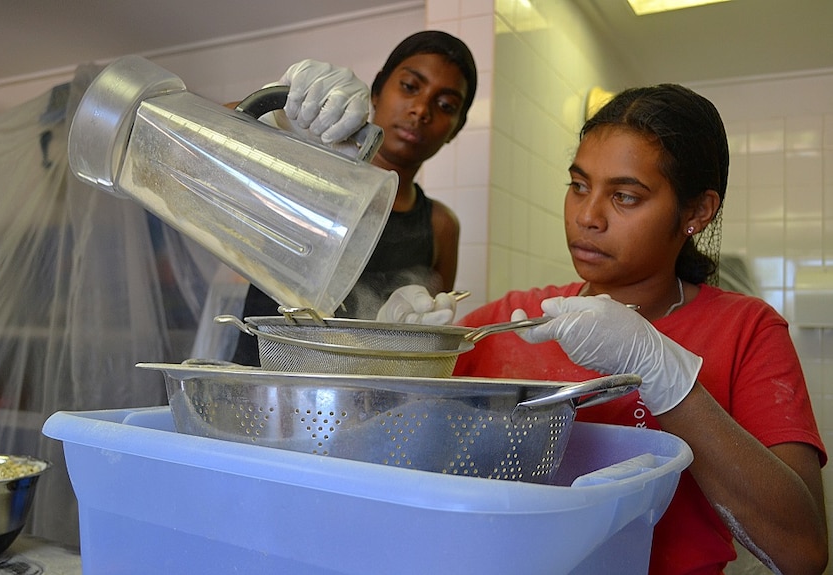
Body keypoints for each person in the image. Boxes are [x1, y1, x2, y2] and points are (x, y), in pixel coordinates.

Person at [376, 84, 828, 574]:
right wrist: (390, 358)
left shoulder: (747, 330)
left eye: (626, 197)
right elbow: (379, 447)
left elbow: (802, 553)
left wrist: (666, 377)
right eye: (578, 186)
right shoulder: (517, 320)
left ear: (696, 212)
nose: (587, 217)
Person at [231, 30, 477, 365]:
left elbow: (426, 341)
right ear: (377, 91)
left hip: (370, 406)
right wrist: (277, 121)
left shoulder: (440, 226)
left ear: (456, 129)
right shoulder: (308, 171)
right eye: (409, 87)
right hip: (260, 392)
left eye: (445, 105)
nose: (421, 109)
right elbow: (190, 141)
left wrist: (410, 335)